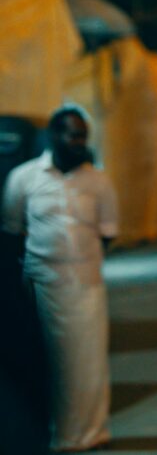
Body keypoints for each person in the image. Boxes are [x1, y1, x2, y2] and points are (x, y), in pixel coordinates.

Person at [1, 105, 118, 451]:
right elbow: (12, 229)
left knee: (88, 365)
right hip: (41, 285)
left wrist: (77, 258)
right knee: (50, 364)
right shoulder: (24, 178)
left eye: (83, 135)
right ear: (54, 136)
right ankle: (52, 433)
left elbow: (108, 233)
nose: (80, 141)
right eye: (73, 134)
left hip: (86, 286)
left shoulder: (99, 181)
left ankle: (91, 434)